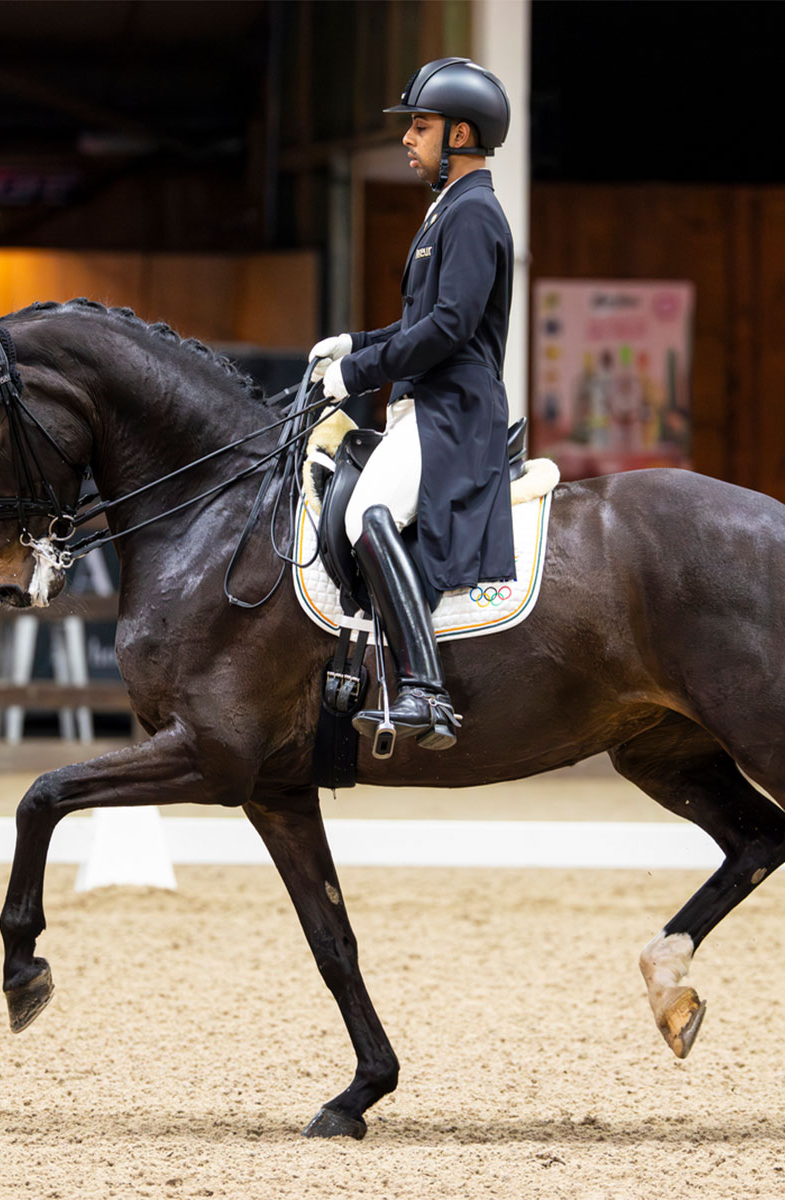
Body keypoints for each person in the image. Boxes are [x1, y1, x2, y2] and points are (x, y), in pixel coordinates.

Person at [308, 57, 516, 753]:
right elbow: (419, 321)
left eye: (420, 126)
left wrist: (358, 373)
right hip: (429, 404)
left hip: (453, 409)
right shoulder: (448, 211)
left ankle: (426, 689)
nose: (407, 138)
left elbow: (450, 327)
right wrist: (353, 344)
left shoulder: (474, 212)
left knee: (371, 516)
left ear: (461, 133)